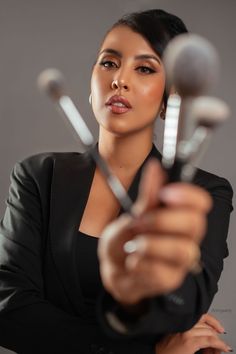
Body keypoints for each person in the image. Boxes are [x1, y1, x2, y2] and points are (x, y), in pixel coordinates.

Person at [0, 8, 233, 354]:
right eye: (109, 63)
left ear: (170, 97)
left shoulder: (204, 192)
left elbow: (183, 306)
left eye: (144, 68)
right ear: (92, 83)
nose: (119, 80)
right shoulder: (38, 176)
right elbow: (9, 311)